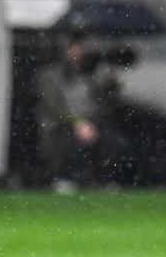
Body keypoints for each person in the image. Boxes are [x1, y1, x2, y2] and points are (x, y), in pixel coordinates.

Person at [37, 34, 127, 193]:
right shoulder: (51, 76)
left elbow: (101, 102)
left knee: (112, 140)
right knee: (74, 141)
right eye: (74, 48)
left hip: (90, 123)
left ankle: (106, 179)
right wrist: (76, 122)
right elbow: (53, 106)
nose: (78, 53)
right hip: (61, 124)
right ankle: (68, 178)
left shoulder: (87, 76)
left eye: (80, 49)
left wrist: (111, 83)